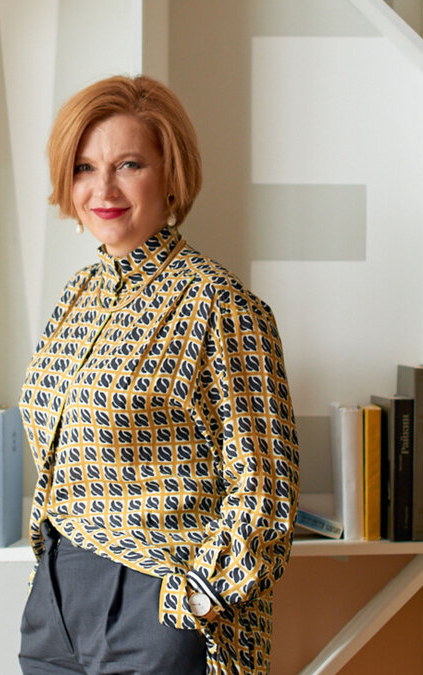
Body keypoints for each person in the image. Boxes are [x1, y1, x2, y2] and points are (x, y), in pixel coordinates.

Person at [18, 74, 299, 674]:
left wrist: (197, 599)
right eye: (84, 168)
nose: (103, 189)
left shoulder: (218, 304)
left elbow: (267, 489)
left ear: (171, 174)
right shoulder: (77, 297)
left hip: (158, 599)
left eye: (128, 164)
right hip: (58, 601)